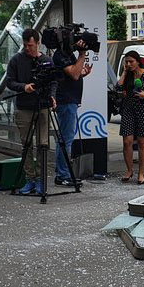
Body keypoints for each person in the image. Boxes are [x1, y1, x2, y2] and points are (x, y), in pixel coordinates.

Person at [4, 28, 57, 195]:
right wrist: (23, 87)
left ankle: (41, 179)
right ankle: (30, 178)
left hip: (42, 106)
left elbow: (54, 81)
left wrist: (53, 96)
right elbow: (10, 82)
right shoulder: (16, 60)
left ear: (37, 43)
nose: (27, 48)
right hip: (24, 107)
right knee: (26, 144)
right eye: (25, 45)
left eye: (31, 45)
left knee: (43, 143)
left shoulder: (47, 60)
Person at [52, 40, 92, 187]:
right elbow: (74, 74)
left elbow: (74, 74)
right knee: (65, 140)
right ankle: (63, 175)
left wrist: (82, 73)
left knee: (65, 139)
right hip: (66, 102)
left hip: (69, 101)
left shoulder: (67, 55)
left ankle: (63, 173)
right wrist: (82, 55)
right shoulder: (61, 55)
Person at [117, 50, 144, 185]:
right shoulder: (128, 75)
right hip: (128, 110)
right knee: (127, 141)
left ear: (138, 61)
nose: (129, 64)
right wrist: (125, 72)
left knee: (143, 142)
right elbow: (118, 87)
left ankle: (141, 173)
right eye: (126, 62)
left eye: (131, 61)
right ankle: (129, 170)